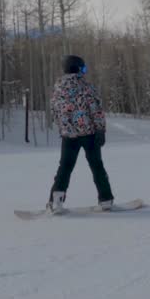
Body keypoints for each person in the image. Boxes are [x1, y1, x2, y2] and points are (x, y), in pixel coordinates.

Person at [46, 55, 115, 213]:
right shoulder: (86, 87)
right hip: (89, 134)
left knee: (64, 167)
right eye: (83, 68)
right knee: (97, 166)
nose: (84, 72)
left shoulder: (58, 89)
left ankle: (56, 201)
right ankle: (106, 200)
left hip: (69, 136)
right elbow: (96, 110)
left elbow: (55, 112)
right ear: (77, 68)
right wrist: (100, 129)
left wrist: (64, 128)